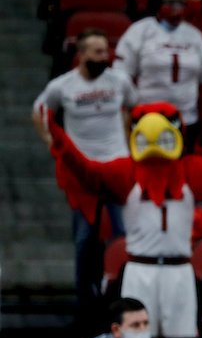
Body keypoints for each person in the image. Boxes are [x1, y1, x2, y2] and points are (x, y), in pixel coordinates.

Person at [46, 104, 202, 338]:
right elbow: (88, 173)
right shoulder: (126, 171)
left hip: (179, 272)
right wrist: (63, 143)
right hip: (139, 271)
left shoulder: (190, 170)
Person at [32, 28, 137, 320]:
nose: (105, 56)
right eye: (98, 51)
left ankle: (123, 299)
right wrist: (54, 145)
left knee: (122, 235)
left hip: (116, 165)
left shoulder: (119, 80)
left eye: (106, 50)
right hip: (83, 170)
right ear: (82, 54)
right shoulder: (62, 86)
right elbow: (38, 110)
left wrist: (127, 138)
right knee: (84, 237)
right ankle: (84, 303)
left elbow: (132, 105)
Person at [114, 0, 202, 138]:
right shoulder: (140, 31)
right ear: (159, 7)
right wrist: (131, 106)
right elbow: (122, 74)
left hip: (187, 117)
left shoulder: (194, 35)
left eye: (180, 5)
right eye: (171, 4)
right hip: (147, 114)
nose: (176, 10)